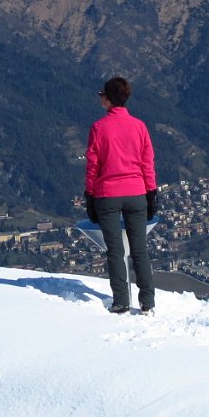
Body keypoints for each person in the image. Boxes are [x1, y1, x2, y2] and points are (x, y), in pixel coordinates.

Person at [83, 76, 158, 314]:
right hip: (137, 192)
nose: (100, 97)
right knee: (140, 249)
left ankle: (121, 302)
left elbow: (93, 166)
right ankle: (147, 303)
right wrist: (151, 192)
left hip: (107, 195)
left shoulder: (98, 128)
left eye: (102, 94)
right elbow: (147, 163)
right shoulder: (139, 126)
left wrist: (90, 195)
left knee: (115, 250)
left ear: (109, 98)